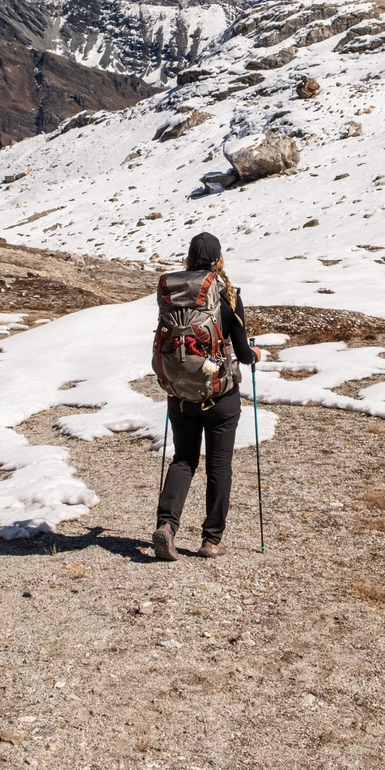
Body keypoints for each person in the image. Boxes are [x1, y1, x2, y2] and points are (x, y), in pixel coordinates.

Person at [151, 232, 260, 560]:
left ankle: (166, 527)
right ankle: (211, 540)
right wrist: (252, 353)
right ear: (218, 261)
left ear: (187, 259)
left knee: (183, 458)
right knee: (218, 464)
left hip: (180, 394)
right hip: (220, 394)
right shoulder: (227, 294)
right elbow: (241, 353)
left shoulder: (171, 295)